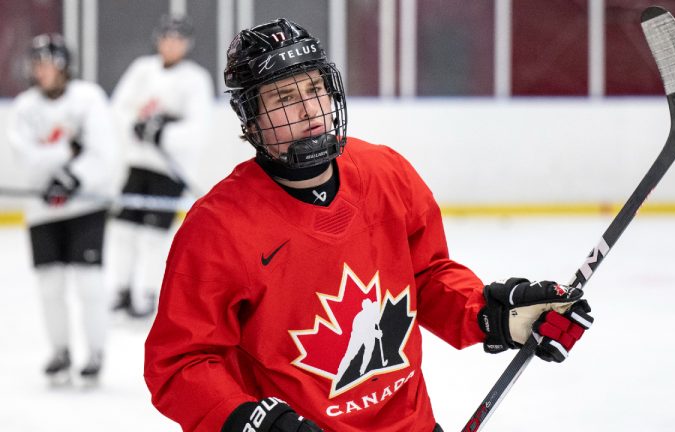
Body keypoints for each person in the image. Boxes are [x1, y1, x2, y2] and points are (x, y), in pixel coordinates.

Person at [144, 19, 594, 432]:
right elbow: (180, 362)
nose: (309, 110)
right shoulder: (217, 227)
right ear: (250, 119)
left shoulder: (385, 172)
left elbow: (428, 276)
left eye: (315, 89)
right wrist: (249, 420)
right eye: (284, 99)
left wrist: (491, 314)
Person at [7, 33, 119, 384]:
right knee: (50, 286)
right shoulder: (24, 107)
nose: (42, 71)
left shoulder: (88, 99)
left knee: (89, 283)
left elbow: (103, 152)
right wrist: (67, 153)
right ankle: (60, 351)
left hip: (84, 206)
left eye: (49, 64)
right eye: (37, 64)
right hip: (41, 210)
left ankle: (96, 352)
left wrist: (73, 179)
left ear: (64, 66)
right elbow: (24, 159)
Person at [108, 14, 214, 318]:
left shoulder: (195, 79)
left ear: (186, 44)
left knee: (154, 235)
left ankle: (148, 292)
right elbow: (120, 107)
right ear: (158, 40)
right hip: (139, 163)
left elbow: (198, 129)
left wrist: (163, 133)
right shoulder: (142, 69)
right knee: (124, 228)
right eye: (167, 38)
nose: (171, 45)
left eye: (177, 40)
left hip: (170, 171)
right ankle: (121, 288)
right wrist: (137, 126)